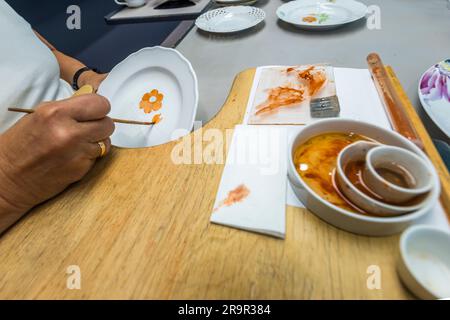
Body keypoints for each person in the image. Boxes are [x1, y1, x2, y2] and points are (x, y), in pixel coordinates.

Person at [0, 0, 115, 233]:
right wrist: (9, 182)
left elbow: (27, 41)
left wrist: (83, 76)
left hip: (93, 139)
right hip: (33, 224)